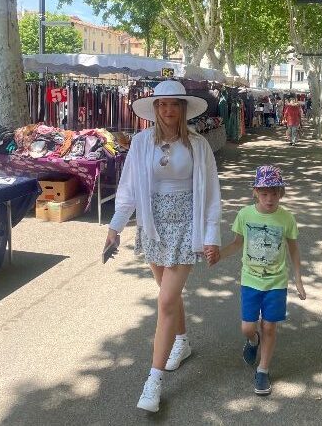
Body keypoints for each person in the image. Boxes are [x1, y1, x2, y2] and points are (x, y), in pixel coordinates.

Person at [104, 80, 221, 413]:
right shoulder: (141, 142)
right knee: (169, 295)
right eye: (161, 105)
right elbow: (128, 189)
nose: (167, 110)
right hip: (152, 225)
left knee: (166, 299)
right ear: (154, 109)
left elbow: (211, 193)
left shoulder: (198, 144)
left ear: (183, 108)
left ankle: (153, 382)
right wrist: (114, 228)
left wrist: (211, 235)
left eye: (173, 104)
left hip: (187, 224)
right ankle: (181, 342)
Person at [206, 165, 306, 396]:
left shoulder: (287, 218)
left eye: (274, 193)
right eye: (264, 193)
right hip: (250, 280)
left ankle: (263, 369)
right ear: (255, 192)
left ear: (281, 193)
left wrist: (298, 280)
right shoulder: (245, 215)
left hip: (276, 283)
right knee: (248, 328)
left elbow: (294, 251)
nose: (269, 198)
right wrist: (220, 254)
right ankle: (253, 341)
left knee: (270, 326)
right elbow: (237, 243)